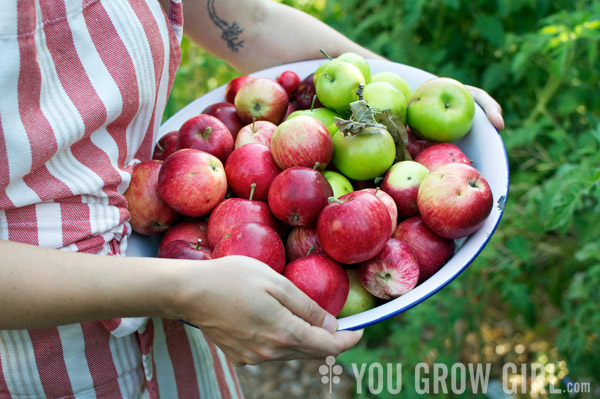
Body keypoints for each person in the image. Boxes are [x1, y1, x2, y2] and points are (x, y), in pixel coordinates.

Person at [0, 0, 504, 397]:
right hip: (41, 354)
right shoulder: (195, 275)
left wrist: (403, 92)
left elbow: (245, 18)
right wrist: (180, 290)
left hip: (183, 291)